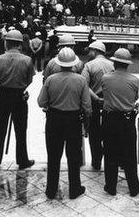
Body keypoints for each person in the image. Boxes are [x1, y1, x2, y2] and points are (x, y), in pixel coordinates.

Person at [37, 47, 91, 200]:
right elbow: (87, 106)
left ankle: (51, 190)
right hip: (73, 120)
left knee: (53, 155)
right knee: (74, 156)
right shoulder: (80, 80)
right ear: (74, 64)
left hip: (54, 119)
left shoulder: (50, 79)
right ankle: (74, 189)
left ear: (58, 63)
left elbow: (41, 102)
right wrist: (86, 125)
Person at [94, 48, 139, 197]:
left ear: (114, 63)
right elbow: (135, 98)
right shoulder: (134, 80)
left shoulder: (106, 78)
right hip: (127, 120)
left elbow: (104, 93)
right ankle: (133, 187)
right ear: (127, 65)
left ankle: (111, 186)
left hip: (109, 119)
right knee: (129, 154)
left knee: (110, 153)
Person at [0, 30, 35, 171]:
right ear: (20, 45)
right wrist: (20, 87)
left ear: (6, 43)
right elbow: (29, 79)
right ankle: (22, 160)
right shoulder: (27, 60)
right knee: (21, 130)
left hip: (2, 95)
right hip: (19, 96)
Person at [81, 40, 113, 170]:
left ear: (95, 51)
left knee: (94, 134)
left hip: (94, 103)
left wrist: (95, 98)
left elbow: (84, 85)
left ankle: (96, 162)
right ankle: (110, 161)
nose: (88, 53)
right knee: (109, 133)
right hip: (110, 103)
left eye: (90, 51)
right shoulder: (112, 64)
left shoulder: (88, 65)